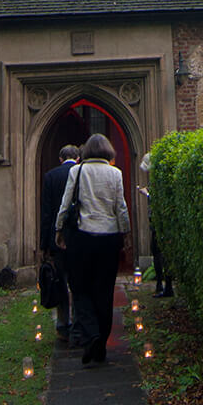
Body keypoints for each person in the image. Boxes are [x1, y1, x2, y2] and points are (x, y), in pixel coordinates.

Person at [55, 132, 130, 365]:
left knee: (79, 288)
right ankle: (100, 346)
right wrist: (125, 234)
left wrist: (58, 230)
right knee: (104, 292)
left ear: (85, 151)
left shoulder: (76, 171)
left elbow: (66, 203)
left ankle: (91, 335)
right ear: (108, 151)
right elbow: (121, 207)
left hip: (82, 237)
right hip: (108, 238)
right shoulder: (115, 173)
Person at [39, 144, 81, 344]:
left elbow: (47, 212)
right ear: (78, 158)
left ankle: (63, 324)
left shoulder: (50, 176)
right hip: (79, 237)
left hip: (58, 238)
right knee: (79, 281)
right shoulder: (82, 174)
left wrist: (45, 244)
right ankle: (80, 323)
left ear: (60, 158)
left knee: (60, 280)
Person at [138, 152, 173, 298]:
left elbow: (159, 200)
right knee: (157, 252)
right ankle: (162, 285)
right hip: (158, 223)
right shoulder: (159, 178)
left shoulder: (160, 179)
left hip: (160, 223)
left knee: (160, 253)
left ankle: (164, 285)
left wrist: (147, 194)